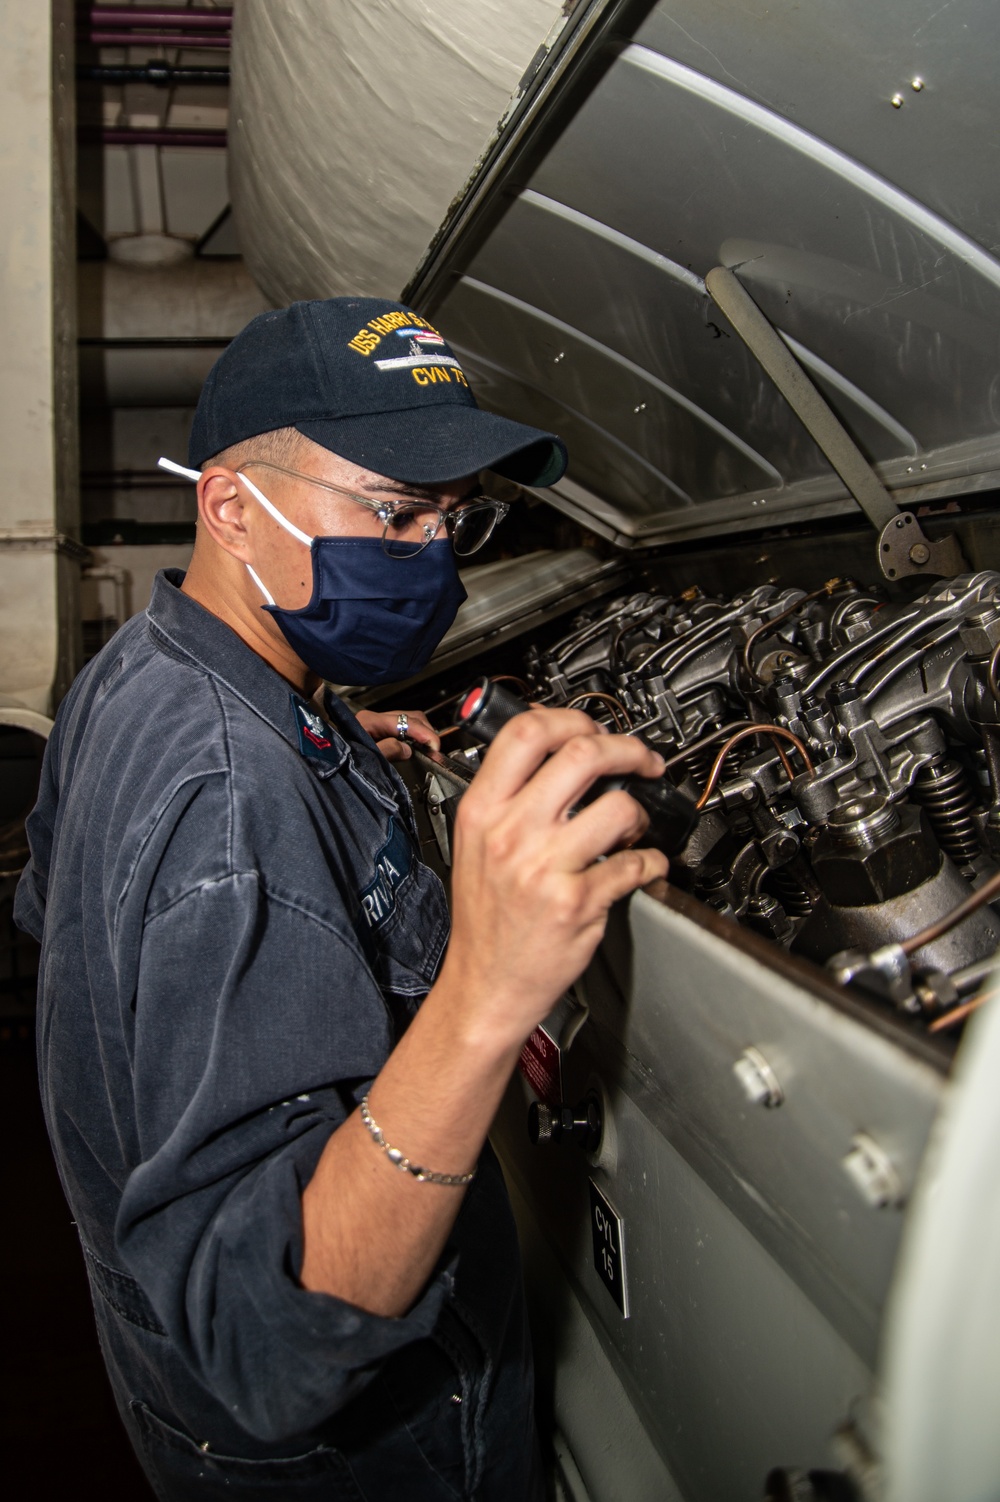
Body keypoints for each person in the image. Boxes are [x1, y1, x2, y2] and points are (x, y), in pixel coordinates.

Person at [16, 297, 667, 1500]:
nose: (431, 553)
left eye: (451, 519)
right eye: (393, 510)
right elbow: (268, 1337)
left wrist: (319, 741)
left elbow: (62, 910)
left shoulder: (138, 673)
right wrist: (483, 992)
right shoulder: (227, 800)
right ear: (227, 504)